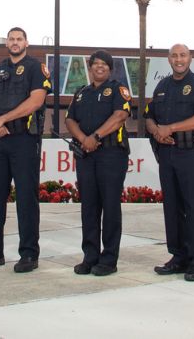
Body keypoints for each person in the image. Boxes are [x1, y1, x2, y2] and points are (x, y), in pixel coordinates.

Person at [0, 27, 51, 273]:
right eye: (11, 39)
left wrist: (2, 119)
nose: (15, 42)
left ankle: (29, 254)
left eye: (19, 39)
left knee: (26, 198)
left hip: (23, 139)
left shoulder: (35, 68)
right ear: (6, 43)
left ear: (27, 42)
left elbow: (36, 100)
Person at [145, 44, 194, 282]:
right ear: (168, 59)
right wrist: (156, 130)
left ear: (190, 58)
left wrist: (171, 128)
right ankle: (178, 256)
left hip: (190, 153)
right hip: (166, 154)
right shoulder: (162, 86)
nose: (178, 59)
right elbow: (149, 116)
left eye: (182, 55)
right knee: (172, 207)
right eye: (174, 56)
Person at [64, 50, 132, 277]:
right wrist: (84, 140)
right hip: (86, 155)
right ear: (90, 67)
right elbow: (70, 119)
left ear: (110, 69)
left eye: (104, 64)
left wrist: (96, 137)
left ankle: (109, 259)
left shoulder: (118, 89)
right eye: (96, 64)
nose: (100, 67)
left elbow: (120, 117)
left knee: (110, 206)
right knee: (89, 207)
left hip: (111, 154)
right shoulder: (81, 93)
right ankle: (90, 256)